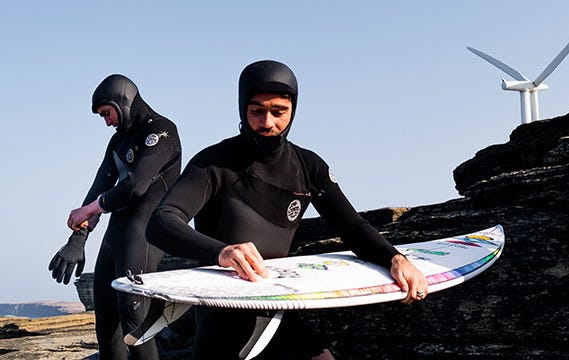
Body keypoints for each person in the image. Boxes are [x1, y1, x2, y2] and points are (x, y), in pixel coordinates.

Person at [146, 60, 427, 359]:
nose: (268, 123)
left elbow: (352, 228)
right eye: (257, 111)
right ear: (243, 108)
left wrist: (394, 258)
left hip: (277, 313)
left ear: (293, 110)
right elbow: (162, 222)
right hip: (221, 318)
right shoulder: (213, 163)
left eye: (279, 112)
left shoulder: (308, 166)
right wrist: (222, 252)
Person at [48, 74, 182, 360]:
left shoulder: (162, 131)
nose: (106, 121)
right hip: (116, 237)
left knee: (135, 325)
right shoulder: (117, 142)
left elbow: (136, 186)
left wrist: (92, 209)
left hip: (144, 236)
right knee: (106, 324)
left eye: (107, 113)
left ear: (123, 102)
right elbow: (100, 185)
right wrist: (78, 238)